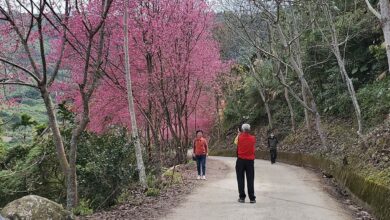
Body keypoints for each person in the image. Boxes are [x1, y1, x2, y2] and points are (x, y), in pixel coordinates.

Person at [236, 123, 256, 203]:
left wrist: (239, 134)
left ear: (242, 129)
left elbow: (236, 143)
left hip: (240, 160)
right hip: (250, 161)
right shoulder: (253, 138)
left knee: (240, 179)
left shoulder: (239, 138)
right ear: (249, 129)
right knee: (250, 179)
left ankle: (242, 197)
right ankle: (252, 198)